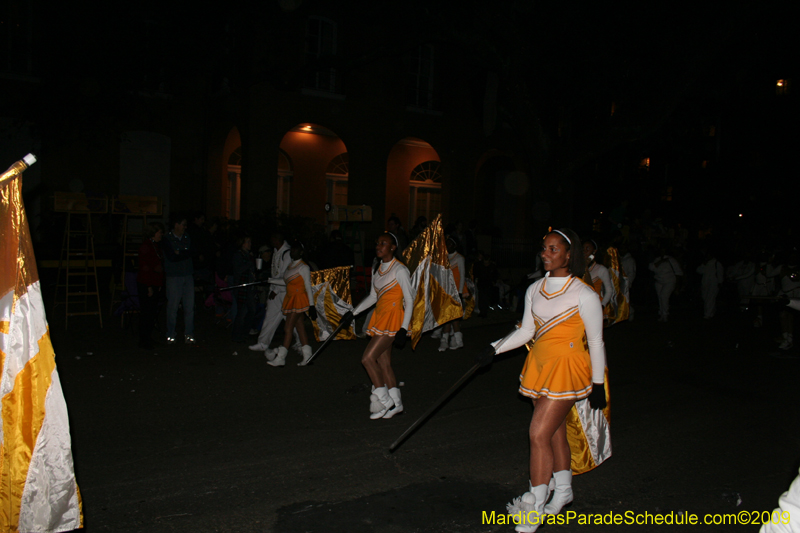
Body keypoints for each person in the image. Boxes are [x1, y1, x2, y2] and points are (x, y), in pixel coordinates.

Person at [477, 229, 607, 532]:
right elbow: (525, 332)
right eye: (544, 249)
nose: (545, 254)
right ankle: (563, 491)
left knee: (537, 434)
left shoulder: (584, 294)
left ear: (568, 255)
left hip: (567, 369)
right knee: (554, 432)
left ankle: (533, 505)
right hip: (539, 365)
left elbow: (597, 342)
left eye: (552, 249)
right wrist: (493, 348)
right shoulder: (535, 288)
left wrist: (598, 384)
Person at [340, 232, 413, 419]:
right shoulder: (378, 267)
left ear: (393, 247)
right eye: (377, 243)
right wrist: (352, 313)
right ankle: (397, 404)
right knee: (384, 362)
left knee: (367, 358)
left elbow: (410, 300)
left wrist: (404, 329)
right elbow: (373, 297)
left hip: (394, 320)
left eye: (383, 243)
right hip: (380, 318)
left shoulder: (400, 270)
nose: (378, 246)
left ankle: (384, 400)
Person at [267, 241, 317, 366]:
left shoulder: (303, 267)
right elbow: (286, 282)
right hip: (290, 299)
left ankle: (281, 358)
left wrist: (311, 306)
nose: (292, 252)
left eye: (295, 250)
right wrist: (269, 280)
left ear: (301, 252)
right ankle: (308, 357)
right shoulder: (290, 266)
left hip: (298, 300)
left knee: (288, 328)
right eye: (292, 250)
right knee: (300, 328)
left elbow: (307, 286)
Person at [249, 230, 295, 357]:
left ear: (277, 239)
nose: (271, 242)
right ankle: (263, 343)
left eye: (272, 239)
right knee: (270, 317)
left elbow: (285, 277)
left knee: (293, 322)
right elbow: (276, 272)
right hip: (276, 291)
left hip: (284, 293)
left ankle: (302, 344)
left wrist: (275, 289)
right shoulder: (277, 251)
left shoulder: (287, 253)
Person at [162, 214, 195, 344]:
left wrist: (179, 252)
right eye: (183, 224)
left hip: (187, 275)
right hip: (174, 277)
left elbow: (190, 252)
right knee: (172, 307)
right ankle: (170, 334)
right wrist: (182, 253)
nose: (185, 227)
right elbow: (171, 256)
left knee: (189, 307)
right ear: (176, 224)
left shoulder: (187, 238)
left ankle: (189, 334)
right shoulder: (167, 239)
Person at [136, 222, 165, 350]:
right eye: (159, 232)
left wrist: (158, 284)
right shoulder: (146, 246)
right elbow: (144, 268)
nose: (161, 235)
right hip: (147, 283)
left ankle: (148, 336)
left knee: (152, 312)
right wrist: (148, 286)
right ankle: (144, 339)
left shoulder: (155, 246)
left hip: (154, 283)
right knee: (146, 312)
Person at [439, 236, 467, 351]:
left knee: (452, 317)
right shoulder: (445, 258)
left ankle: (449, 340)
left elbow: (462, 275)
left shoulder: (459, 258)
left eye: (450, 244)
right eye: (447, 244)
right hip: (447, 291)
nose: (448, 246)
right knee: (449, 316)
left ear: (455, 246)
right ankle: (453, 340)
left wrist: (460, 292)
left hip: (456, 292)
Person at [231, 236, 257, 344]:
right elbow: (238, 270)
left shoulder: (249, 255)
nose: (250, 244)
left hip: (249, 287)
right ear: (242, 243)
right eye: (247, 242)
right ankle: (237, 336)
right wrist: (249, 263)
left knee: (252, 310)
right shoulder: (238, 255)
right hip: (242, 288)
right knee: (242, 312)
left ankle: (244, 333)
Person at [648, 246, 683, 322]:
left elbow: (678, 272)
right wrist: (661, 261)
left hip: (669, 281)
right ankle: (662, 313)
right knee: (660, 297)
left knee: (664, 296)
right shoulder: (657, 259)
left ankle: (665, 314)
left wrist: (677, 286)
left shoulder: (671, 260)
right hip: (659, 281)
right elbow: (651, 267)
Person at [583, 239, 613, 310]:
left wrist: (602, 305)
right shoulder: (577, 268)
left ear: (594, 251)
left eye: (588, 248)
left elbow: (609, 290)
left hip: (595, 306)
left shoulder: (601, 269)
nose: (585, 251)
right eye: (583, 248)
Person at [696, 248, 724, 319]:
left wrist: (720, 282)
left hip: (714, 283)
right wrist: (703, 264)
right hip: (705, 283)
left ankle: (707, 314)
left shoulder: (716, 263)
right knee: (705, 297)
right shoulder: (706, 263)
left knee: (710, 298)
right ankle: (711, 312)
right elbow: (699, 271)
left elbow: (720, 273)